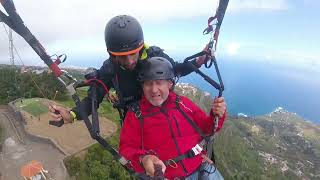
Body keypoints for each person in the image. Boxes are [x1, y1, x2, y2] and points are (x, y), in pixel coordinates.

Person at [49, 15, 208, 124]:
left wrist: (198, 62)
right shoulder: (110, 68)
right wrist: (72, 114)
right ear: (112, 54)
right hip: (136, 122)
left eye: (133, 54)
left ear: (140, 47)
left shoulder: (155, 56)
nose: (129, 61)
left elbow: (175, 70)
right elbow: (93, 99)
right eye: (122, 56)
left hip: (164, 115)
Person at [119, 57, 227, 179]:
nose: (154, 90)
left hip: (201, 167)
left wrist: (216, 115)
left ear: (169, 84)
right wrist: (144, 159)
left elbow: (208, 129)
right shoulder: (135, 114)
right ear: (142, 86)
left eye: (159, 82)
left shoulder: (182, 104)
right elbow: (126, 150)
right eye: (148, 83)